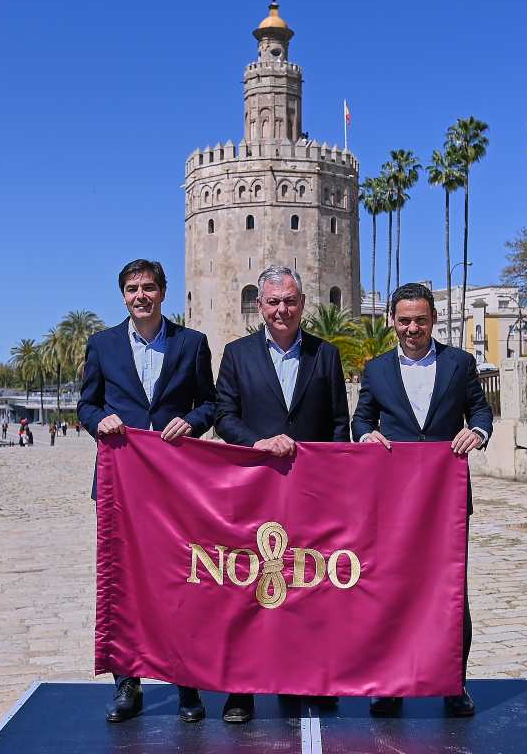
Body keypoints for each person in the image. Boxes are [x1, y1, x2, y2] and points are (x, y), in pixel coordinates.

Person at [78, 257, 217, 725]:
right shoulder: (102, 344)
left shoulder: (192, 344)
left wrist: (192, 421)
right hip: (121, 485)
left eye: (149, 287)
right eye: (133, 289)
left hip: (178, 487)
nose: (141, 295)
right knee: (124, 586)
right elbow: (86, 404)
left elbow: (211, 403)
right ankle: (127, 687)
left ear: (163, 292)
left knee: (185, 582)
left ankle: (188, 686)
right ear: (123, 296)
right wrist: (101, 421)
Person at [214, 264, 350, 724]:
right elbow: (225, 416)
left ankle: (305, 679)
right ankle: (241, 691)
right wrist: (257, 443)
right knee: (247, 589)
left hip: (310, 493)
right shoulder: (236, 354)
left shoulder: (325, 355)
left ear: (303, 305)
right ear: (260, 305)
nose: (281, 310)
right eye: (273, 302)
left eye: (290, 301)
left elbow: (337, 424)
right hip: (253, 489)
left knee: (308, 585)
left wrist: (327, 474)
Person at [351, 282, 493, 719]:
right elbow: (361, 418)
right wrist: (365, 435)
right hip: (392, 503)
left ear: (433, 320)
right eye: (404, 320)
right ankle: (389, 684)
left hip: (445, 502)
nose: (412, 328)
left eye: (421, 320)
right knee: (390, 590)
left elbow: (481, 411)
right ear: (392, 321)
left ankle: (453, 683)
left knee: (450, 593)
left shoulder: (460, 363)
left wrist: (479, 432)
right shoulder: (376, 370)